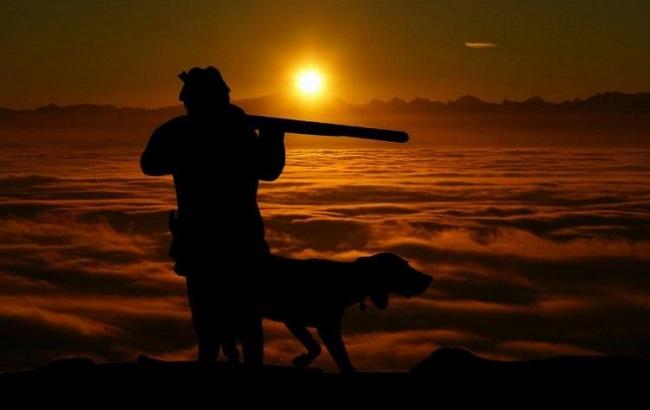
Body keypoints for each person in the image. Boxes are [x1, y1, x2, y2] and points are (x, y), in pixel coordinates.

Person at [140, 66, 285, 365]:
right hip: (230, 241)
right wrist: (272, 140)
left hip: (214, 242)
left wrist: (272, 139)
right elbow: (270, 169)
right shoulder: (233, 131)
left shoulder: (186, 131)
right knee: (238, 324)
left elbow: (150, 163)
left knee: (219, 324)